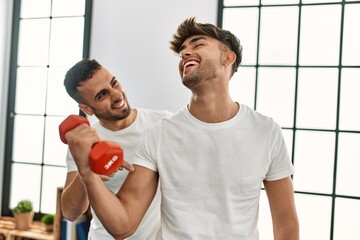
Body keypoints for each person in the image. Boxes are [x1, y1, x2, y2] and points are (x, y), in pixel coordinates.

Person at [64, 17, 299, 239]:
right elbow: (122, 224)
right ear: (87, 107)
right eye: (182, 51)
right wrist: (87, 171)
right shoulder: (158, 134)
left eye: (197, 44)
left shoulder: (266, 131)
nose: (185, 52)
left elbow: (286, 222)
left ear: (228, 58)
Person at [60, 58, 172, 240]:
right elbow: (71, 212)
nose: (117, 95)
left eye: (114, 83)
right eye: (102, 95)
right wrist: (87, 171)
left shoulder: (162, 123)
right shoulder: (84, 141)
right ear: (87, 109)